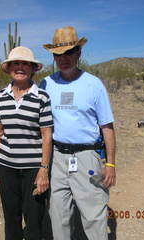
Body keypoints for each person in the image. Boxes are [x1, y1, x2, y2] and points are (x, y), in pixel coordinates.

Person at [40, 26, 117, 240]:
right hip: (57, 158)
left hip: (87, 158)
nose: (63, 58)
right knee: (58, 214)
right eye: (58, 54)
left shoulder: (94, 85)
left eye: (68, 52)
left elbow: (107, 127)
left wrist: (110, 164)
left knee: (93, 214)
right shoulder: (46, 84)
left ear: (78, 53)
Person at [0, 46, 53, 240]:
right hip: (6, 168)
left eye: (25, 64)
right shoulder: (0, 97)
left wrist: (43, 170)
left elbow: (47, 135)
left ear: (32, 68)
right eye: (16, 63)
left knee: (34, 220)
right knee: (11, 219)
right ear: (9, 68)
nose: (20, 67)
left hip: (33, 169)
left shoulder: (42, 97)